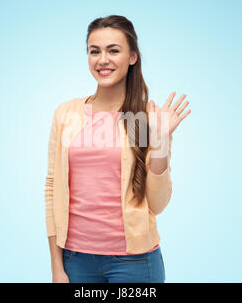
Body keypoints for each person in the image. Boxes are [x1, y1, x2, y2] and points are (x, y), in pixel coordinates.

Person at [44, 15, 191, 283]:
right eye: (94, 51)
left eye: (113, 50)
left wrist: (159, 140)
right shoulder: (65, 114)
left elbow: (157, 204)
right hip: (75, 261)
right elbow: (52, 188)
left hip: (135, 262)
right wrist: (56, 267)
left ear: (132, 56)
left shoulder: (147, 116)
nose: (103, 60)